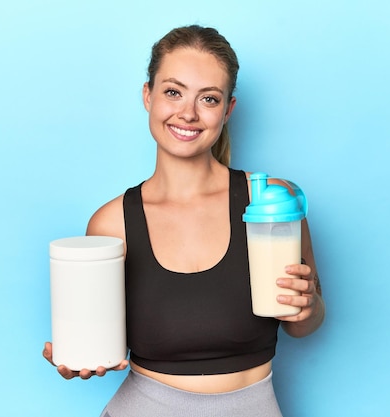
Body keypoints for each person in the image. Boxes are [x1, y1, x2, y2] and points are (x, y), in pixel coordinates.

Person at [43, 24, 325, 417]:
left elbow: (303, 323)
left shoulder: (271, 203)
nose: (188, 113)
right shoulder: (112, 225)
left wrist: (308, 308)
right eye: (173, 92)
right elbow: (99, 341)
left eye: (208, 99)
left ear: (228, 110)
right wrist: (80, 357)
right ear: (148, 96)